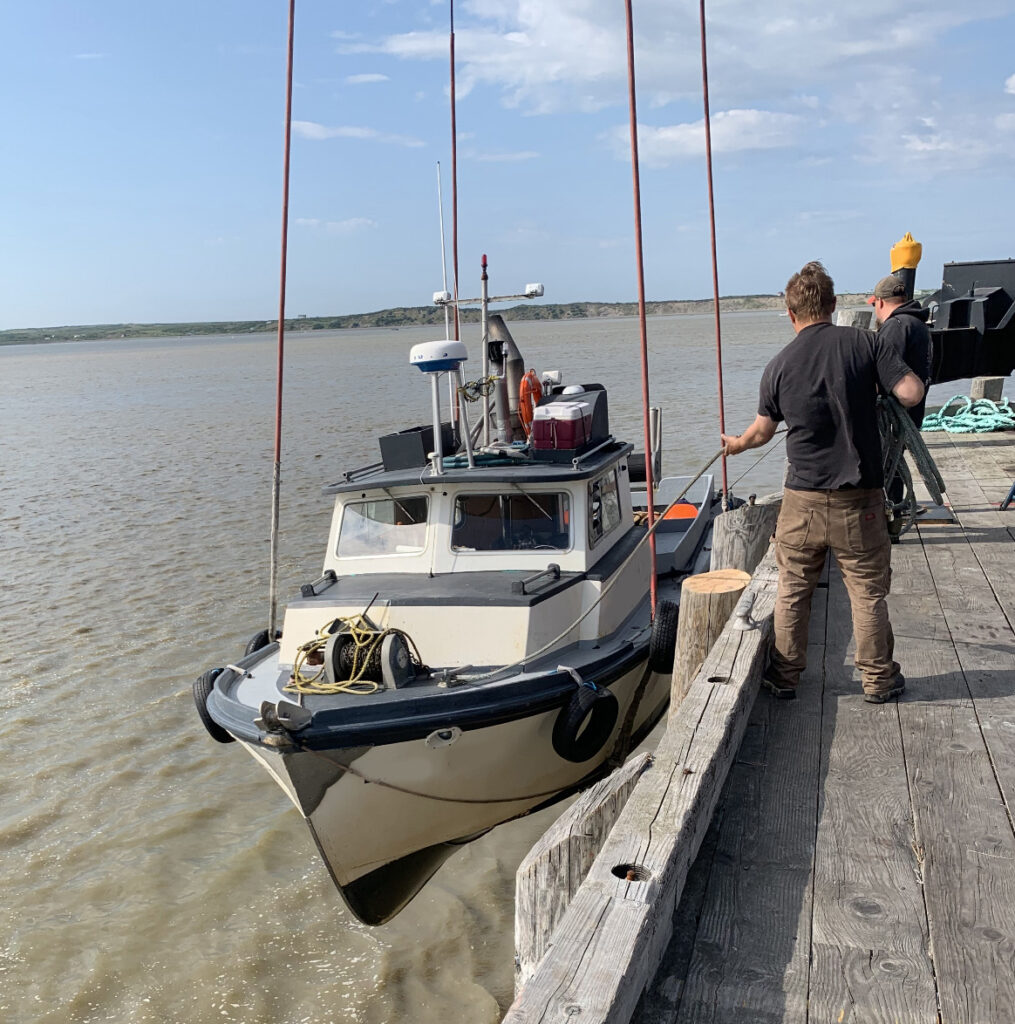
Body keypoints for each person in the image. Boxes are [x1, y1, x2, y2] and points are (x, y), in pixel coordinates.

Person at [721, 261, 925, 704]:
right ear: (833, 306)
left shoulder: (778, 366)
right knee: (868, 593)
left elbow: (760, 433)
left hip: (801, 502)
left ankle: (785, 677)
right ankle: (878, 680)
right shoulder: (866, 344)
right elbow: (910, 393)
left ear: (791, 314)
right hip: (861, 502)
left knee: (793, 590)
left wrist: (735, 445)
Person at [869, 274, 933, 517]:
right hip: (912, 410)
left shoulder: (895, 328)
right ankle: (897, 505)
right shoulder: (918, 324)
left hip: (894, 413)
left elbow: (882, 371)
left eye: (874, 305)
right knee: (894, 460)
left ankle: (892, 509)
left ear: (881, 302)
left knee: (887, 460)